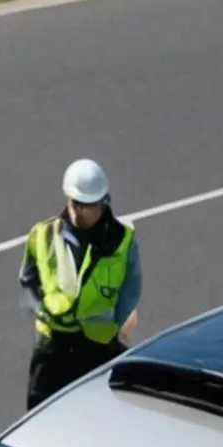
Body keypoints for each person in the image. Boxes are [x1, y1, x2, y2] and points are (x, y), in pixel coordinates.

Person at [19, 158, 142, 409]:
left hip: (97, 344)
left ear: (103, 202)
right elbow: (28, 281)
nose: (79, 211)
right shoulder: (42, 235)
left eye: (87, 205)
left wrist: (112, 325)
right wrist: (44, 313)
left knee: (99, 414)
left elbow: (131, 288)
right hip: (54, 342)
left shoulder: (123, 241)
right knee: (39, 415)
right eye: (75, 203)